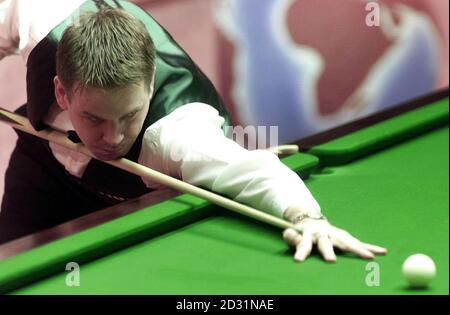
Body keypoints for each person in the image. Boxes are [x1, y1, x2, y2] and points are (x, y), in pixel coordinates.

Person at [0, 0, 386, 261]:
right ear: (60, 92)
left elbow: (252, 171)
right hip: (45, 165)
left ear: (149, 86)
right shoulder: (45, 13)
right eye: (95, 119)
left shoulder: (178, 134)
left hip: (133, 192)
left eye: (129, 116)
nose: (114, 138)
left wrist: (308, 219)